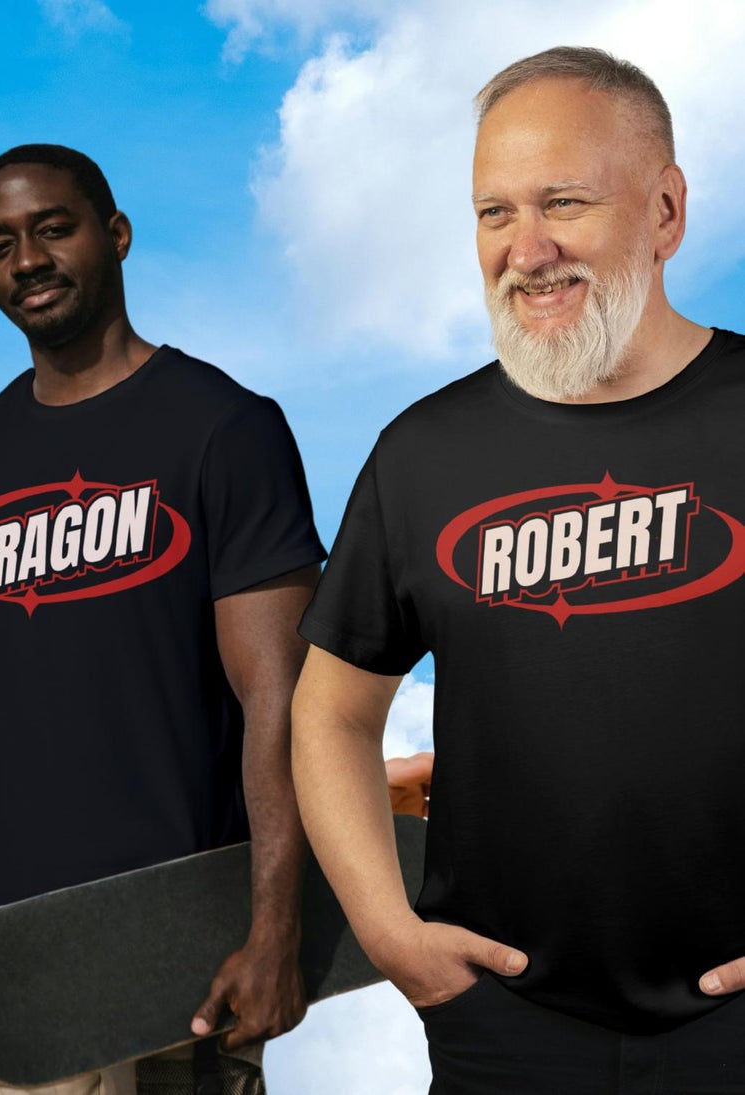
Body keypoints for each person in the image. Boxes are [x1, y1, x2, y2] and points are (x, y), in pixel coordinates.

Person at [292, 45, 745, 1093]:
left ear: (666, 212)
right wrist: (385, 929)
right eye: (491, 213)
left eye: (563, 203)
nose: (524, 249)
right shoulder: (422, 453)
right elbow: (328, 713)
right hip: (500, 1027)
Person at [0, 144, 327, 1094]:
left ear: (116, 235)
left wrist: (280, 925)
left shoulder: (226, 428)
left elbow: (281, 697)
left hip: (175, 953)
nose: (26, 259)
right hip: (13, 967)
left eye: (53, 228)